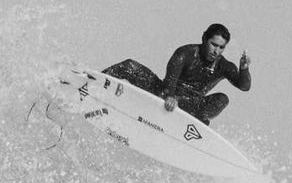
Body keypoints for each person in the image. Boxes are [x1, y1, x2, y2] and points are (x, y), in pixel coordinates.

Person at [102, 23, 251, 124]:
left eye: (221, 47)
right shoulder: (185, 53)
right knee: (130, 66)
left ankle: (196, 129)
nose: (216, 51)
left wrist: (244, 69)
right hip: (164, 95)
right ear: (204, 39)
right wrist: (170, 96)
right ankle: (90, 81)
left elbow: (244, 86)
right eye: (214, 44)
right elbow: (170, 78)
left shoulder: (223, 66)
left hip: (190, 106)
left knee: (222, 99)